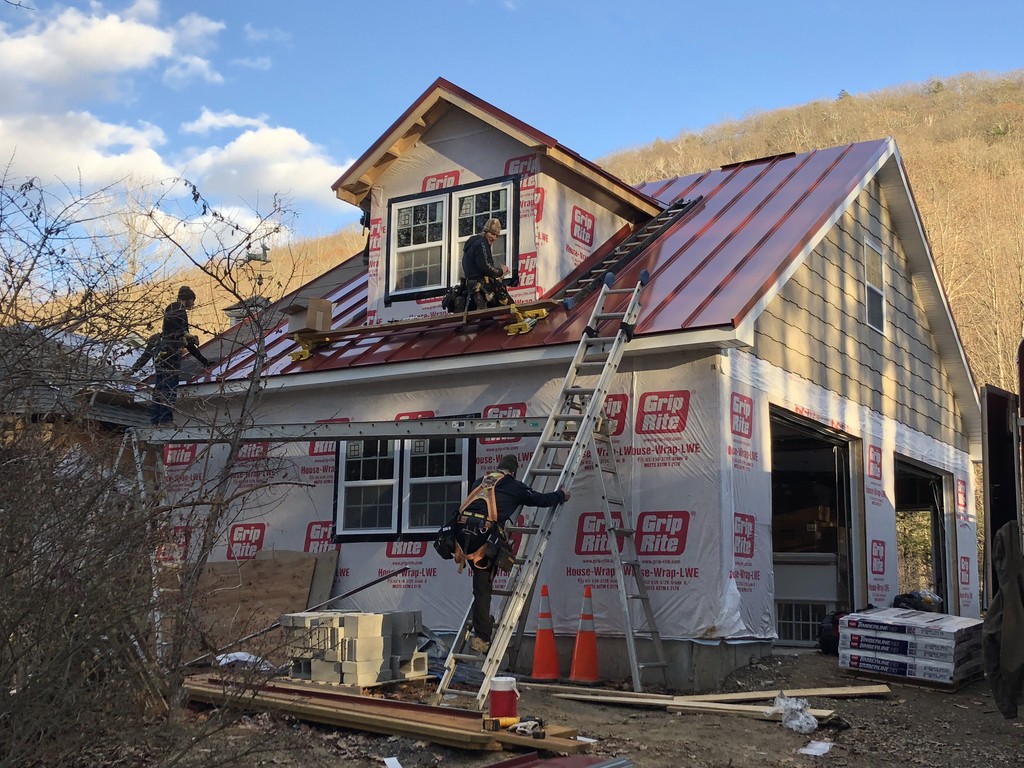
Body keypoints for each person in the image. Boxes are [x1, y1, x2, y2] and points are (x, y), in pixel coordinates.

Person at [453, 453, 569, 653]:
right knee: (482, 589)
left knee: (481, 588)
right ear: (513, 473)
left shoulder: (481, 482)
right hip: (483, 535)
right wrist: (561, 495)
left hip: (462, 534)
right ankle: (482, 636)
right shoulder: (515, 486)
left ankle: (483, 625)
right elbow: (540, 500)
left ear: (498, 468)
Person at [150, 286, 212, 425]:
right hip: (169, 352)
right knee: (169, 386)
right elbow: (170, 318)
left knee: (160, 386)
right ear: (188, 299)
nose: (193, 304)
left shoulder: (177, 312)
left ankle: (155, 420)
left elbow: (189, 344)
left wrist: (204, 361)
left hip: (162, 353)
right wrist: (184, 333)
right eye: (192, 300)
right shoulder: (176, 307)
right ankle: (165, 420)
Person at [461, 217, 510, 310]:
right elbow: (486, 266)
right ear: (485, 232)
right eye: (492, 234)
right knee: (509, 307)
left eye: (496, 235)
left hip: (471, 286)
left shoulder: (473, 242)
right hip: (480, 286)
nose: (494, 238)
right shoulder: (482, 243)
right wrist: (500, 271)